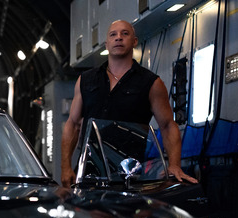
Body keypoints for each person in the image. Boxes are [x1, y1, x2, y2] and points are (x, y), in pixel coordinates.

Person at [60, 19, 198, 188]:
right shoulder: (86, 80)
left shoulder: (151, 82)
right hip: (87, 174)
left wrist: (175, 165)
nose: (118, 38)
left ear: (134, 41)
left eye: (125, 33)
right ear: (106, 43)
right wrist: (65, 167)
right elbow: (73, 125)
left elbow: (168, 125)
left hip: (130, 176)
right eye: (113, 35)